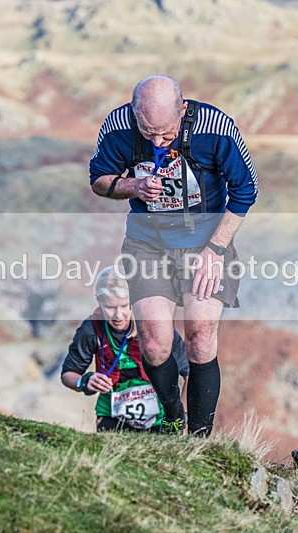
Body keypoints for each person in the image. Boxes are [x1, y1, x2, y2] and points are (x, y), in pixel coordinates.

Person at [89, 75, 258, 436]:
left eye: (165, 133)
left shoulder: (216, 128)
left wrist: (216, 249)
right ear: (134, 113)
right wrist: (131, 185)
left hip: (207, 239)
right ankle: (170, 414)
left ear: (182, 110)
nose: (157, 142)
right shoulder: (119, 126)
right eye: (148, 132)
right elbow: (99, 179)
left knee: (199, 333)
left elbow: (246, 189)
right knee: (153, 342)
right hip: (147, 241)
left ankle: (199, 438)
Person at [61, 266, 189, 432]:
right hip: (111, 417)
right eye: (110, 307)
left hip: (159, 420)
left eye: (124, 306)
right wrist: (84, 381)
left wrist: (179, 415)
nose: (118, 315)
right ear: (99, 302)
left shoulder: (156, 327)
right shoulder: (91, 329)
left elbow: (189, 372)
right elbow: (68, 375)